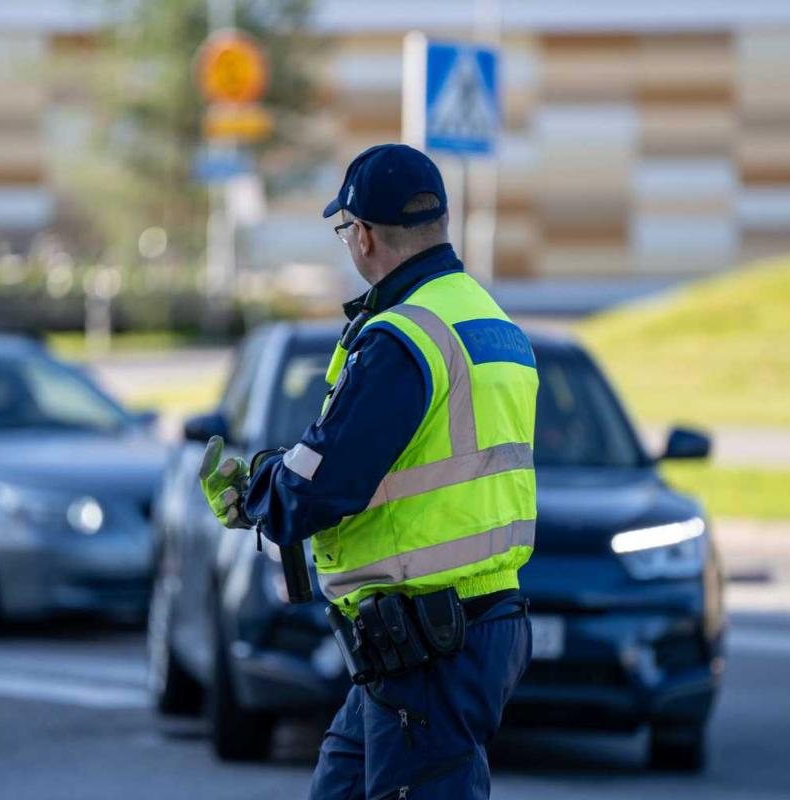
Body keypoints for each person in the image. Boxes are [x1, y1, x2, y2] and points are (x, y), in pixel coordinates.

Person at [200, 143, 538, 799]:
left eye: (344, 229)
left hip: (428, 646)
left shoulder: (404, 337)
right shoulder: (490, 324)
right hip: (453, 632)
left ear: (363, 235)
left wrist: (259, 491)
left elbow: (326, 483)